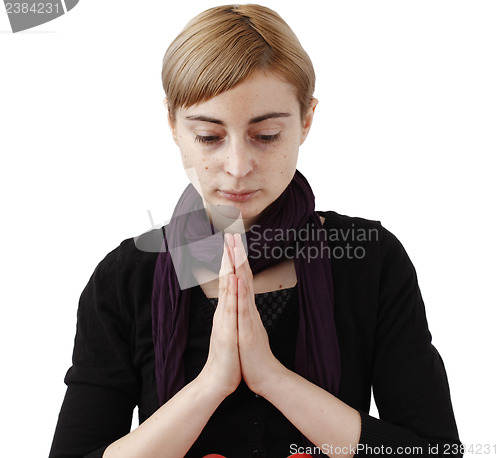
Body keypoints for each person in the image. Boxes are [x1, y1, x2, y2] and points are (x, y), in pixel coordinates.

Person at [49, 4, 462, 458]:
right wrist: (210, 385)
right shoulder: (126, 278)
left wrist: (273, 378)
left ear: (306, 120)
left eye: (265, 135)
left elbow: (434, 452)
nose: (238, 167)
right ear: (173, 125)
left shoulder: (369, 259)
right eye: (209, 136)